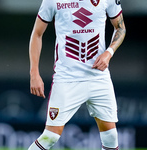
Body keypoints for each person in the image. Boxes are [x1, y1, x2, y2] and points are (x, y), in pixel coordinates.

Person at [28, 0, 126, 149]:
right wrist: (34, 72)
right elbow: (37, 33)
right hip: (67, 78)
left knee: (111, 136)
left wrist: (109, 53)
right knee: (50, 137)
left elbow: (120, 28)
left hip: (98, 77)